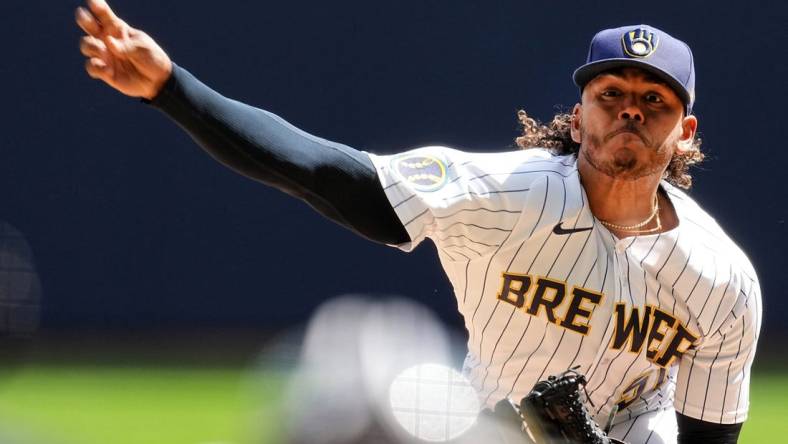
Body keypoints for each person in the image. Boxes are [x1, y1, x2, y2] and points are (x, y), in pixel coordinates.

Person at [75, 0, 761, 442]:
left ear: (686, 131)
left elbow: (709, 436)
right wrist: (172, 89)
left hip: (636, 435)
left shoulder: (720, 276)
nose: (630, 112)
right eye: (611, 94)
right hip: (485, 424)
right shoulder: (499, 195)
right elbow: (321, 171)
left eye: (654, 101)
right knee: (408, 404)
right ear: (579, 116)